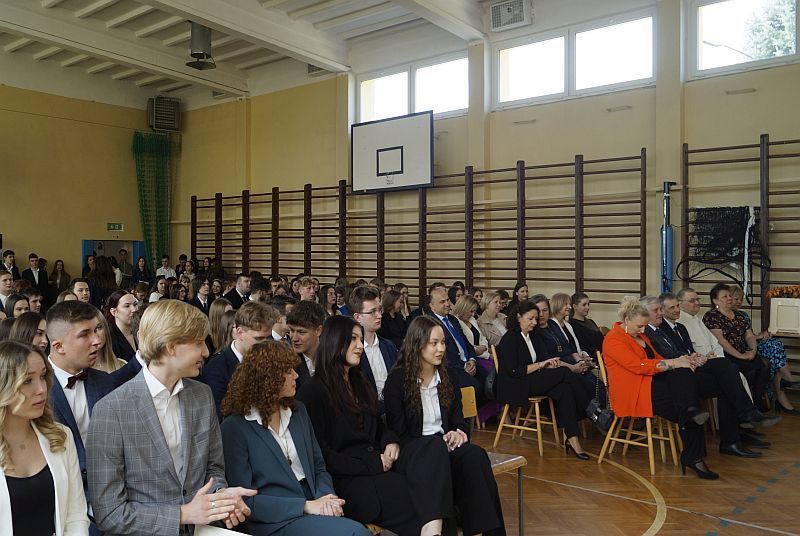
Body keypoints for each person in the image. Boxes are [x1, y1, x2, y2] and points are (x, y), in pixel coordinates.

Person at [87, 299, 256, 533]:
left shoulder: (202, 395)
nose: (206, 352)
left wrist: (219, 498)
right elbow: (109, 514)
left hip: (203, 528)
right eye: (198, 343)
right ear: (171, 347)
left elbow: (214, 468)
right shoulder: (111, 410)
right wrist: (182, 514)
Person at [220, 341, 370, 536]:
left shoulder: (298, 411)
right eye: (288, 371)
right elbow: (246, 500)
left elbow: (318, 466)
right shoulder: (234, 428)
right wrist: (306, 506)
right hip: (275, 520)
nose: (296, 375)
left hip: (314, 503)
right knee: (356, 533)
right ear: (268, 378)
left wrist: (327, 498)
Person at [298, 316, 421, 535]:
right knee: (414, 501)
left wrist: (390, 440)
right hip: (348, 481)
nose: (360, 346)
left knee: (425, 488)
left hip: (377, 469)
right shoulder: (312, 392)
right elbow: (322, 456)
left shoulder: (360, 382)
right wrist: (372, 464)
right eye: (353, 339)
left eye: (361, 339)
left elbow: (377, 426)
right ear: (335, 341)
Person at [384, 316, 505, 536]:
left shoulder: (448, 376)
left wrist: (458, 433)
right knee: (435, 448)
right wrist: (438, 444)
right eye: (434, 343)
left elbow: (458, 419)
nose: (441, 349)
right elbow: (398, 431)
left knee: (475, 455)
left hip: (443, 446)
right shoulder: (397, 381)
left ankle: (483, 532)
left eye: (443, 343)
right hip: (415, 451)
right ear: (417, 344)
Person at [643, 294, 778, 457]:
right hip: (677, 378)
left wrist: (695, 356)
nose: (675, 310)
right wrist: (689, 358)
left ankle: (734, 438)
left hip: (689, 369)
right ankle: (745, 417)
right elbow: (662, 358)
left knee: (726, 369)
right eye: (665, 308)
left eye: (677, 306)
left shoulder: (676, 328)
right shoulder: (652, 331)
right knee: (728, 375)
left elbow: (683, 351)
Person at [603, 297, 718, 479]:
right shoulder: (613, 339)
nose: (643, 330)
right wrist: (674, 363)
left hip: (650, 384)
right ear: (626, 320)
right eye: (639, 326)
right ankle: (694, 456)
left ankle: (692, 440)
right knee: (688, 405)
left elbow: (656, 359)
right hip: (634, 392)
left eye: (644, 326)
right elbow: (638, 366)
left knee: (685, 390)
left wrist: (682, 361)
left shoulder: (640, 336)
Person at [0, 340, 90, 535]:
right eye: (27, 380)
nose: (41, 389)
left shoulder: (60, 436)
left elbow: (76, 516)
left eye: (42, 377)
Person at [46, 299, 116, 520]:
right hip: (59, 504)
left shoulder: (105, 382)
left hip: (110, 497)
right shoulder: (35, 389)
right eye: (85, 334)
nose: (97, 340)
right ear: (59, 346)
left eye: (96, 330)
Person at [496, 301, 591, 459]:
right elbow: (515, 371)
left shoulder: (534, 336)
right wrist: (541, 365)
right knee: (564, 373)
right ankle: (591, 408)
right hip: (516, 384)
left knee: (565, 389)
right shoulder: (509, 339)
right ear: (519, 317)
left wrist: (549, 363)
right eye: (530, 319)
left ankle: (572, 439)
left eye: (536, 318)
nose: (535, 322)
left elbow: (543, 359)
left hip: (533, 379)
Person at [203, 301, 278, 420]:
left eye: (268, 338)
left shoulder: (273, 361)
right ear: (239, 332)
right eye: (258, 338)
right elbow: (220, 417)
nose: (265, 345)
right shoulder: (216, 370)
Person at [730, 286, 798, 414]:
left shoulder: (743, 315)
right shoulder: (721, 317)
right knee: (774, 353)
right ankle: (788, 381)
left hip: (752, 347)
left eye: (741, 299)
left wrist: (761, 335)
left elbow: (750, 336)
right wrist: (758, 337)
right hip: (740, 350)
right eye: (736, 299)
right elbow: (738, 340)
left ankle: (785, 383)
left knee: (774, 343)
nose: (739, 302)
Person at [703, 283, 770, 411]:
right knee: (749, 372)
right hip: (725, 355)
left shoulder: (739, 316)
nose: (729, 298)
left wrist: (752, 351)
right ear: (715, 300)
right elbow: (721, 341)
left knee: (764, 364)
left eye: (729, 295)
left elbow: (749, 336)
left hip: (742, 352)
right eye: (724, 296)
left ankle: (756, 400)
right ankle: (744, 407)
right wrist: (741, 356)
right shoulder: (712, 316)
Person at [426, 287, 488, 408]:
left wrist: (472, 360)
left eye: (447, 300)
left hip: (467, 362)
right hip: (450, 368)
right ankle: (468, 416)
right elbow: (442, 354)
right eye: (442, 302)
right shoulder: (430, 323)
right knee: (476, 387)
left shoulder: (453, 319)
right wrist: (463, 366)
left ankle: (483, 414)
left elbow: (466, 343)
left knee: (490, 381)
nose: (447, 304)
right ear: (432, 306)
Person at [349, 287, 398, 407]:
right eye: (372, 312)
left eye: (380, 310)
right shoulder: (351, 351)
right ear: (357, 317)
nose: (379, 316)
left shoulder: (389, 346)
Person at [287, 300, 326, 390]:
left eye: (301, 332)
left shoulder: (333, 358)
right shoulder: (287, 363)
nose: (294, 338)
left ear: (318, 331)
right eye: (292, 330)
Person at [104, 290, 138, 362]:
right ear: (114, 312)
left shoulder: (140, 331)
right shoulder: (108, 339)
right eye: (127, 306)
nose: (134, 309)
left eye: (135, 304)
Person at [569, 292, 605, 359]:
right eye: (584, 305)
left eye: (588, 304)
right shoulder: (572, 325)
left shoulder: (590, 322)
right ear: (575, 306)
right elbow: (582, 346)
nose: (587, 307)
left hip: (602, 355)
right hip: (591, 359)